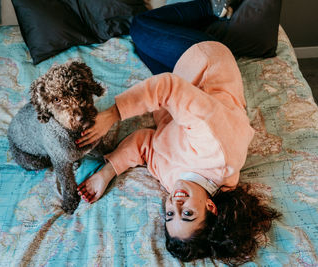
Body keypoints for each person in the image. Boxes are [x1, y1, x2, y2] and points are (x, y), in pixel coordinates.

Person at [75, 0, 281, 264]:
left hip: (177, 93)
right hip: (205, 65)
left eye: (170, 215)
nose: (176, 204)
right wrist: (113, 114)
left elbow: (145, 144)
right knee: (140, 26)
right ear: (210, 207)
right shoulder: (215, 148)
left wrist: (106, 173)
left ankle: (210, 25)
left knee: (140, 46)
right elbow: (169, 88)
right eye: (187, 214)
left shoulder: (177, 183)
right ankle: (212, 6)